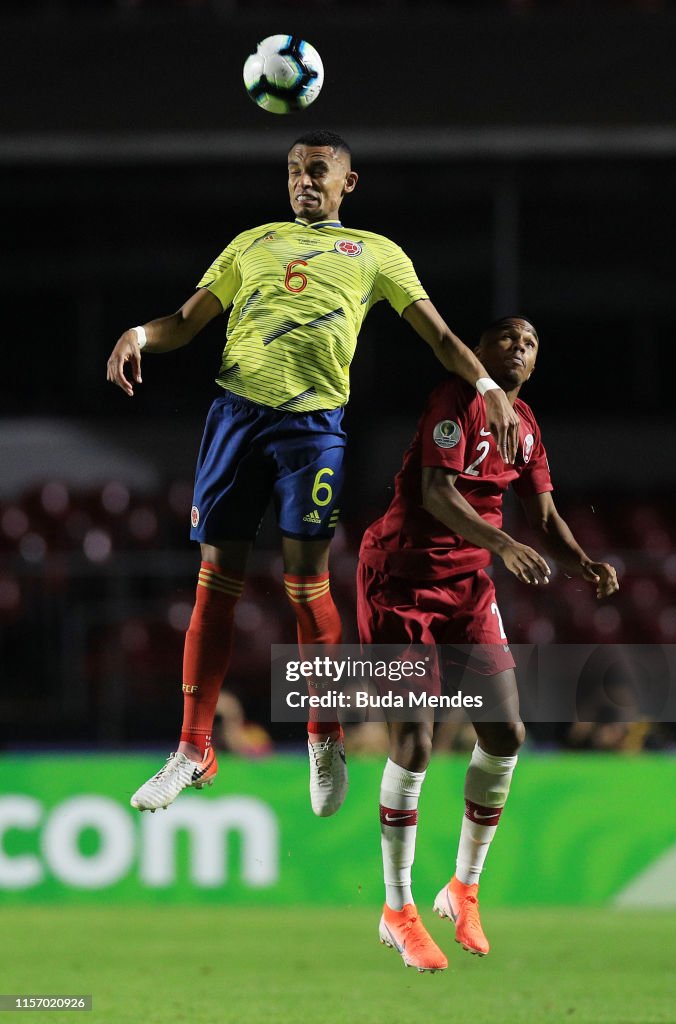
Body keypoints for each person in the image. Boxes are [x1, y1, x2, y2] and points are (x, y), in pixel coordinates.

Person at [106, 128, 519, 818]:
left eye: (318, 170)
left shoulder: (375, 254)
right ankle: (192, 748)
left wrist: (486, 389)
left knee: (306, 584)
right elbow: (184, 320)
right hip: (236, 419)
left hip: (313, 430)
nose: (303, 180)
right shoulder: (251, 242)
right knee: (215, 585)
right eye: (294, 170)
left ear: (346, 184)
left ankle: (322, 736)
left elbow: (443, 339)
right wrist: (138, 335)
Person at [356, 316, 619, 972]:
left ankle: (463, 888)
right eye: (507, 337)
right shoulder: (454, 401)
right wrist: (501, 543)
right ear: (476, 348)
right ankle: (396, 908)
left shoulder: (525, 426)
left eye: (531, 342)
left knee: (504, 733)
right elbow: (434, 491)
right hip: (400, 582)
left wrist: (583, 562)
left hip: (466, 588)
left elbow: (546, 516)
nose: (520, 348)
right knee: (413, 742)